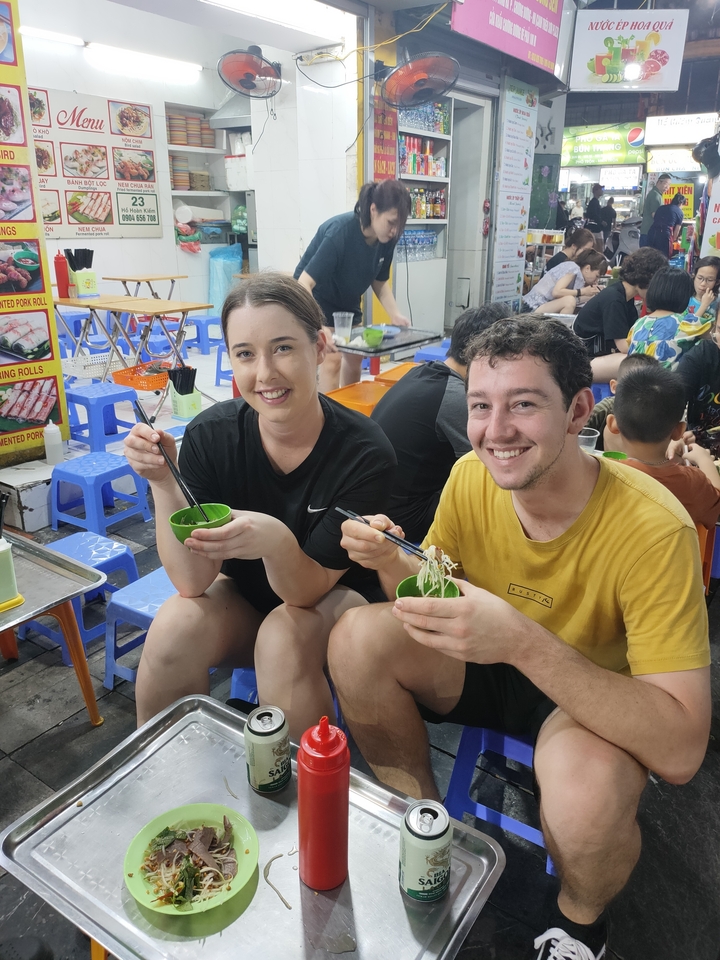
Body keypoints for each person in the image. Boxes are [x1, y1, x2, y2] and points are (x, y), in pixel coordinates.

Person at [328, 317, 710, 960]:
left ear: (579, 411)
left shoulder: (653, 528)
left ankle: (579, 922)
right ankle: (424, 831)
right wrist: (390, 562)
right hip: (481, 661)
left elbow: (681, 749)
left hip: (586, 698)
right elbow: (434, 598)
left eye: (524, 404)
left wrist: (522, 641)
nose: (495, 431)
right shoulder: (470, 477)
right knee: (355, 638)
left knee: (586, 801)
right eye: (481, 405)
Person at [124, 273, 397, 742]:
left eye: (284, 348)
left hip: (332, 603)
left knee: (282, 637)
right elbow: (192, 581)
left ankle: (297, 802)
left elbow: (304, 591)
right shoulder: (212, 436)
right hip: (248, 602)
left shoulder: (364, 452)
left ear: (321, 346)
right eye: (245, 354)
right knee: (174, 625)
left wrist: (273, 540)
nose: (265, 373)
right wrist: (164, 482)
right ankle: (173, 790)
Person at [370, 302, 511, 544]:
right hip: (405, 519)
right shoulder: (457, 398)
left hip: (378, 501)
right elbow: (491, 468)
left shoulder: (421, 371)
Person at [295, 180, 412, 393]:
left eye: (400, 225)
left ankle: (348, 414)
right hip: (317, 302)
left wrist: (394, 314)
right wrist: (318, 325)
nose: (395, 231)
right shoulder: (340, 232)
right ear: (373, 210)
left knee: (355, 355)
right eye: (391, 222)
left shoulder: (387, 240)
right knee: (331, 358)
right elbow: (304, 283)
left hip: (348, 303)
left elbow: (379, 281)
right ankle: (330, 418)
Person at [607, 365, 720, 528]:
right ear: (679, 431)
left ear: (613, 424)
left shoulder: (602, 474)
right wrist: (704, 460)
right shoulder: (691, 483)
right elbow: (715, 503)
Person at [573, 246, 667, 370]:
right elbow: (623, 346)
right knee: (637, 362)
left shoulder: (625, 297)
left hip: (598, 354)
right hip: (583, 359)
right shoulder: (614, 299)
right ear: (647, 279)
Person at [627, 265, 708, 369]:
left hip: (634, 383)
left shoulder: (638, 324)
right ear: (684, 295)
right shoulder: (685, 324)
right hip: (668, 384)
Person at [585, 352, 659, 452]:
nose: (639, 397)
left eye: (648, 390)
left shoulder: (658, 413)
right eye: (631, 390)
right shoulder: (603, 410)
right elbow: (576, 434)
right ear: (614, 387)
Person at [678, 323, 720, 457]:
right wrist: (672, 434)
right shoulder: (701, 356)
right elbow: (672, 399)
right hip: (696, 445)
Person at [522, 249, 607, 315]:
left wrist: (591, 295)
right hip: (532, 306)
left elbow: (572, 298)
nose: (597, 280)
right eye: (597, 276)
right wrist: (583, 291)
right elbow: (557, 292)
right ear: (587, 268)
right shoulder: (573, 268)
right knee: (569, 301)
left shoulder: (576, 272)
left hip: (541, 306)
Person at [647, 194, 684, 258]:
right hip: (664, 234)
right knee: (664, 257)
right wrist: (674, 240)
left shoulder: (661, 207)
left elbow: (655, 219)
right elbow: (676, 231)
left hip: (652, 232)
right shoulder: (680, 212)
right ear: (681, 203)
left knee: (651, 256)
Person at [640, 174, 672, 247]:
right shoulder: (655, 195)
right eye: (665, 184)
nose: (667, 187)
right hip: (649, 233)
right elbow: (655, 215)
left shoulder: (657, 194)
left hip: (649, 232)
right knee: (648, 257)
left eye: (669, 185)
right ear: (659, 182)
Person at [685, 256, 720, 323]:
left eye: (709, 280)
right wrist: (704, 305)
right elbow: (687, 327)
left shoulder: (718, 302)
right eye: (700, 278)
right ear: (694, 276)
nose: (703, 284)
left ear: (717, 282)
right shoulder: (685, 299)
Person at [584, 183, 605, 251]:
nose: (602, 191)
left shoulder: (594, 202)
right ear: (596, 190)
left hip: (593, 227)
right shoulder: (594, 202)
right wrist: (601, 221)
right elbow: (594, 214)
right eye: (600, 189)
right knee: (599, 247)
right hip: (595, 228)